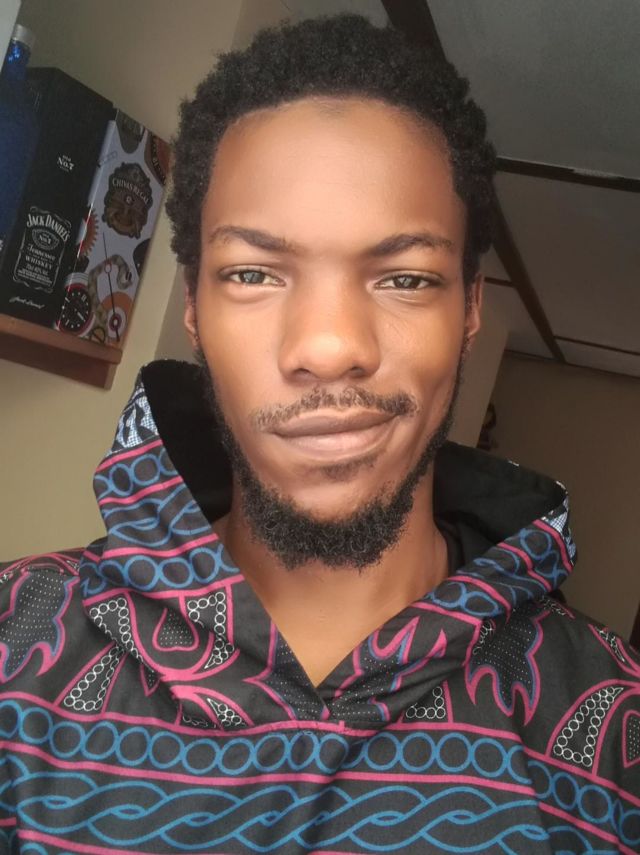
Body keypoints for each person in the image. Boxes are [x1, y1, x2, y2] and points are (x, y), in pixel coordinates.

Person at [1, 14, 638, 854]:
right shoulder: (16, 641)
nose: (330, 346)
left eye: (405, 277)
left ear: (470, 311)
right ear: (193, 306)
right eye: (253, 273)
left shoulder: (617, 727)